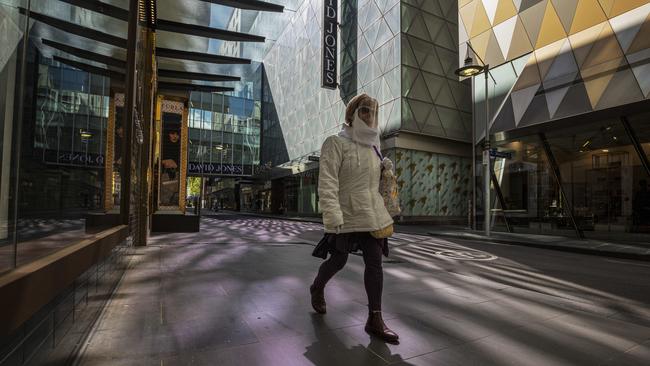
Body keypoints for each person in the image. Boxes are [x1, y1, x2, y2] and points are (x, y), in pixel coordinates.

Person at [309, 93, 399, 343]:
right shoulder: (335, 143)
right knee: (338, 260)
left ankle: (375, 318)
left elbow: (370, 182)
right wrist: (332, 214)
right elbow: (327, 181)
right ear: (352, 114)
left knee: (375, 262)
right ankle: (317, 287)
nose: (370, 116)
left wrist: (384, 169)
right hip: (345, 212)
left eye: (373, 111)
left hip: (372, 212)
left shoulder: (373, 145)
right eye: (365, 111)